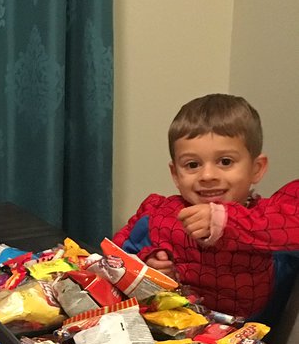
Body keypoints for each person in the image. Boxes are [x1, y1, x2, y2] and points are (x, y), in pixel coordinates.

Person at [113, 93, 299, 321]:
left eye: (225, 162)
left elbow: (290, 225)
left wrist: (225, 220)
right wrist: (149, 265)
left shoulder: (272, 218)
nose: (208, 175)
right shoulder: (160, 214)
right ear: (176, 174)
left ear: (256, 168)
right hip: (171, 334)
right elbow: (118, 260)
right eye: (193, 165)